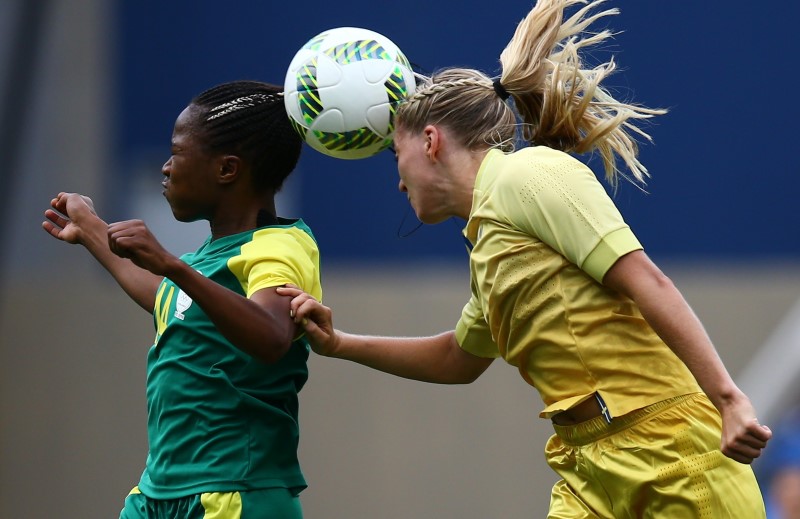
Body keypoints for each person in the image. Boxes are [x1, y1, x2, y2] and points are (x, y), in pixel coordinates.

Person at [277, 0, 772, 516]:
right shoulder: (487, 242)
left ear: (429, 141)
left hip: (669, 447)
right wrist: (338, 343)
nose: (398, 180)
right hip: (585, 468)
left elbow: (647, 281)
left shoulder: (528, 174)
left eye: (395, 156)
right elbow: (457, 359)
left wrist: (729, 400)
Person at [42, 80, 322, 518]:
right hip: (157, 494)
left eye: (177, 152)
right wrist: (92, 231)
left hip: (234, 494)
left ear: (227, 169)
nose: (166, 168)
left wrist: (172, 266)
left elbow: (271, 336)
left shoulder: (279, 246)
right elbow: (168, 300)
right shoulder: (205, 262)